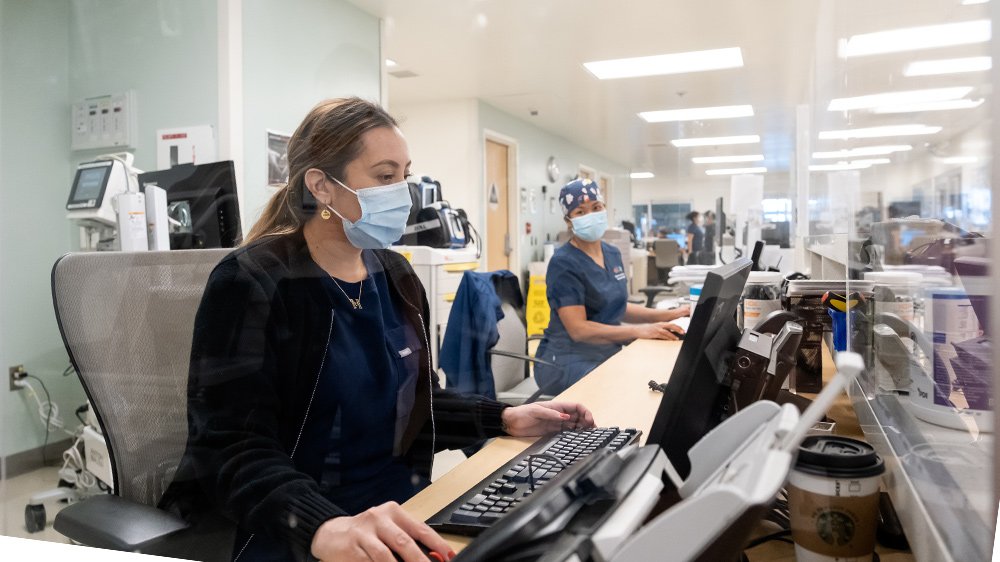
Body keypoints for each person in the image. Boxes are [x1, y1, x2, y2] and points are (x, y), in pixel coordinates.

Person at [161, 98, 596, 562]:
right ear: (322, 187)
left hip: (404, 515)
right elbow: (229, 448)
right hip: (297, 529)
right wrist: (323, 526)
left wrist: (502, 418)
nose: (402, 193)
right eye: (385, 177)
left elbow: (413, 402)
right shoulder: (253, 281)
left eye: (404, 175)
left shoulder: (396, 276)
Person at [533, 179, 689, 395]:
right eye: (580, 211)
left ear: (604, 209)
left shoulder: (612, 253)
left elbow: (616, 306)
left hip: (605, 351)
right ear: (569, 221)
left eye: (596, 207)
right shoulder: (564, 263)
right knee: (624, 391)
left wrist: (667, 315)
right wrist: (639, 331)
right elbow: (579, 330)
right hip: (565, 361)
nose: (591, 215)